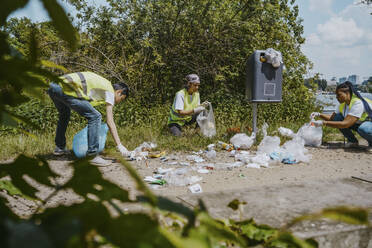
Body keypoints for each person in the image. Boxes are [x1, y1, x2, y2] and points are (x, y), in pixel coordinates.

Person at [47, 71, 131, 165]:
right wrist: (119, 145)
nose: (119, 102)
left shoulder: (103, 85)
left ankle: (60, 148)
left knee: (64, 114)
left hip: (53, 86)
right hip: (65, 89)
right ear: (119, 92)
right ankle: (92, 155)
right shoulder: (110, 91)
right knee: (96, 116)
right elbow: (110, 121)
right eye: (122, 99)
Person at [311, 81, 372, 152]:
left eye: (339, 95)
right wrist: (319, 114)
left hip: (368, 125)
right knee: (337, 118)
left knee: (363, 128)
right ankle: (352, 142)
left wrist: (323, 123)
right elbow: (332, 118)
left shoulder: (357, 103)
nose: (337, 97)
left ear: (347, 93)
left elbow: (345, 124)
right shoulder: (342, 104)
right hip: (359, 123)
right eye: (336, 95)